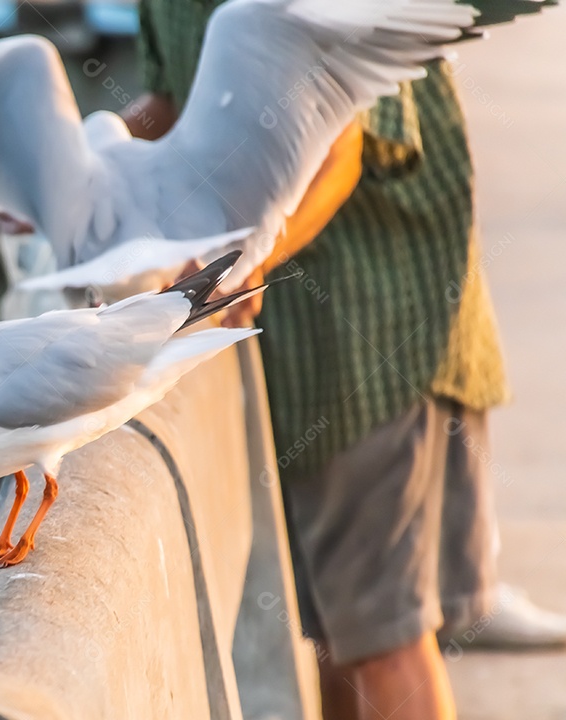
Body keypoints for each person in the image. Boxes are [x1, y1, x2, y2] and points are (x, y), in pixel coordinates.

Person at [127, 2, 516, 717]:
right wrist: (68, 164)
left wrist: (247, 264)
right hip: (296, 357)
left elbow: (344, 150)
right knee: (333, 634)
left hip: (384, 325)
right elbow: (176, 103)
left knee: (384, 639)